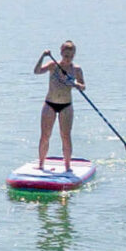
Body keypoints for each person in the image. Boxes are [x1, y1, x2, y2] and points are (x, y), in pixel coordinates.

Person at [34, 40, 83, 168]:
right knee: (45, 135)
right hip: (50, 104)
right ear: (61, 53)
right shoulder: (53, 65)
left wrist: (76, 84)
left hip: (66, 106)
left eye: (71, 56)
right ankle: (41, 164)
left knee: (65, 136)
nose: (68, 59)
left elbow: (83, 86)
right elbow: (37, 71)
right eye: (66, 56)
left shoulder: (76, 70)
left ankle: (67, 166)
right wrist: (43, 56)